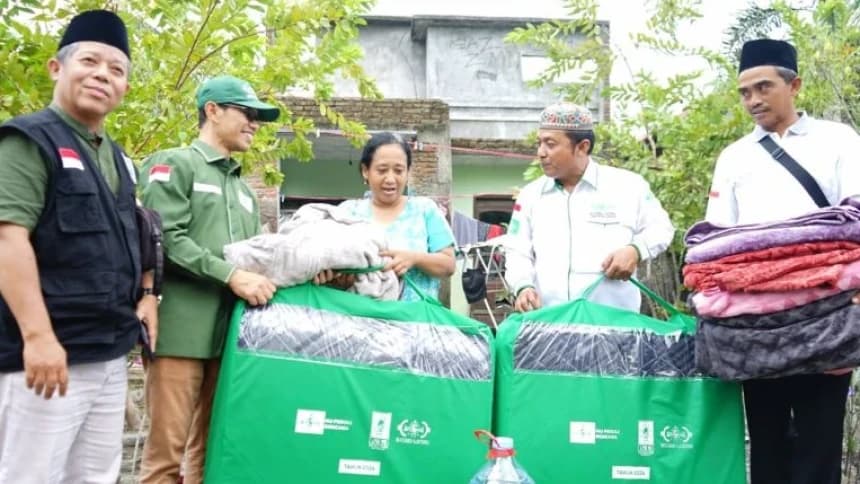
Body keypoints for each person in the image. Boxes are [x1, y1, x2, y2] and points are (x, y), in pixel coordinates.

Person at [0, 10, 158, 483]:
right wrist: (38, 338)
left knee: (96, 476)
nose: (102, 75)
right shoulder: (28, 141)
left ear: (125, 87)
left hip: (108, 352)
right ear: (57, 67)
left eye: (116, 69)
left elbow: (137, 234)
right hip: (47, 356)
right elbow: (7, 239)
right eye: (89, 61)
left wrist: (148, 294)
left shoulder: (119, 159)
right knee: (30, 475)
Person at [705, 38, 860, 484]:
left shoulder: (839, 141)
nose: (753, 100)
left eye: (763, 87)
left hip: (825, 314)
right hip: (758, 321)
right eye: (744, 92)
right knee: (766, 439)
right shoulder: (734, 156)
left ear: (795, 85)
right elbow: (719, 239)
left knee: (819, 440)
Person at [138, 75, 280, 484]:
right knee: (165, 459)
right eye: (246, 113)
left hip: (233, 339)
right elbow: (165, 239)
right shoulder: (173, 163)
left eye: (258, 117)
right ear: (212, 110)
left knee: (212, 456)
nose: (254, 124)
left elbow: (256, 260)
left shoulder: (246, 192)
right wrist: (231, 275)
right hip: (181, 334)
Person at [504, 102, 674, 313]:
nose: (541, 152)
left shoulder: (628, 187)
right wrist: (523, 286)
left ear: (582, 147)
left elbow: (661, 229)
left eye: (550, 144)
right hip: (550, 323)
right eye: (539, 143)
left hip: (613, 324)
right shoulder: (531, 196)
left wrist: (635, 250)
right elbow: (517, 250)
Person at [329, 132, 456, 301]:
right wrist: (341, 278)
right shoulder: (347, 212)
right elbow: (330, 262)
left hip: (415, 316)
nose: (390, 179)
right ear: (366, 171)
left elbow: (449, 264)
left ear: (408, 172)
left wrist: (415, 258)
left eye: (398, 171)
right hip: (359, 315)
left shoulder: (425, 210)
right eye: (382, 170)